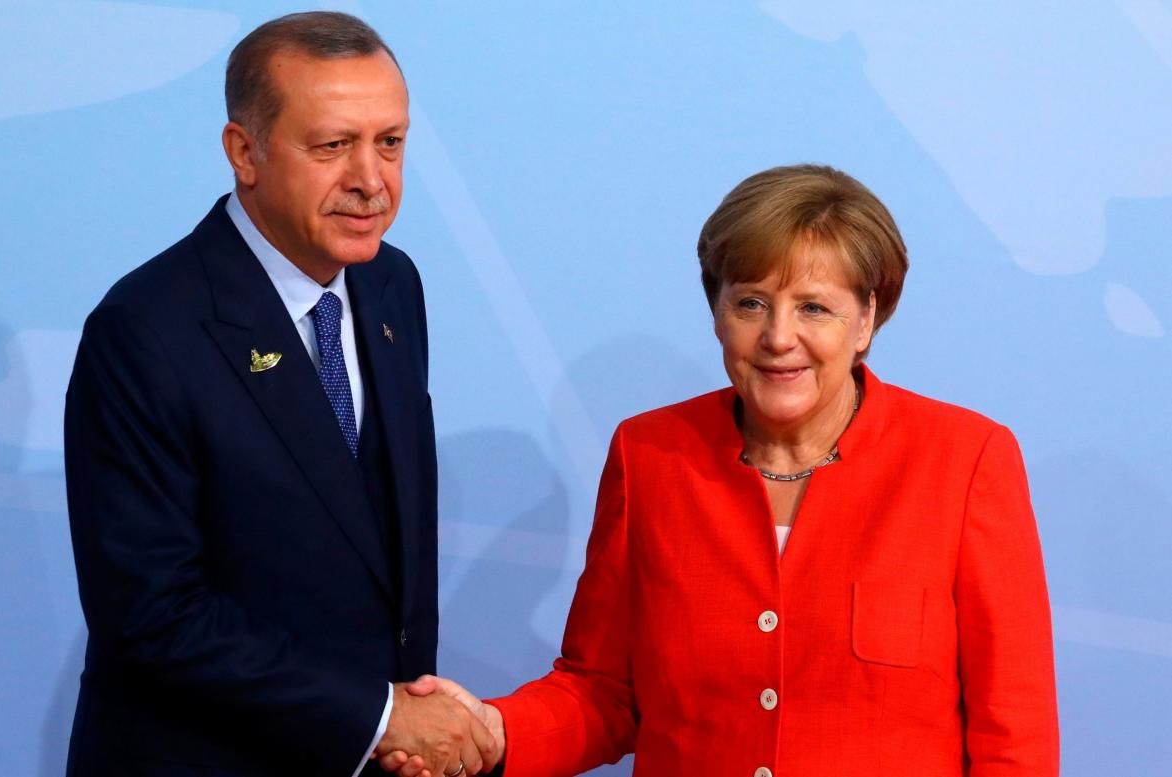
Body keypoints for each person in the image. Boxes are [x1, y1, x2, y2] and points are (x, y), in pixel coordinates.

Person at [399, 164, 1059, 776]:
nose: (777, 336)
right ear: (715, 311)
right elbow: (605, 690)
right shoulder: (649, 454)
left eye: (813, 307)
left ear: (867, 317)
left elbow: (1013, 731)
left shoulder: (965, 458)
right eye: (749, 303)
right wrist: (491, 728)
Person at [63, 12, 497, 777]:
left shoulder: (392, 284)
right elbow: (153, 614)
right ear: (244, 151)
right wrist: (385, 715)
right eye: (332, 146)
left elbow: (380, 547)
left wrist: (407, 728)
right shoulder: (146, 328)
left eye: (389, 142)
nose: (371, 179)